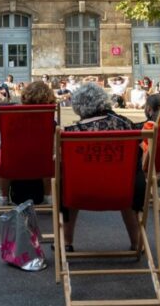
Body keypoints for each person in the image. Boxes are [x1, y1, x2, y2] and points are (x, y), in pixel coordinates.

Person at [61, 83, 143, 252]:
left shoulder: (71, 133)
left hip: (80, 191)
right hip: (123, 189)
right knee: (130, 177)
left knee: (67, 180)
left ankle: (66, 241)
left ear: (77, 106)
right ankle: (137, 242)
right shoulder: (125, 125)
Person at [0, 81, 58, 205]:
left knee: (3, 156)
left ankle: (4, 197)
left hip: (14, 161)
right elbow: (56, 144)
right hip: (42, 163)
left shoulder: (10, 115)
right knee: (49, 158)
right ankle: (48, 196)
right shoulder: (49, 119)